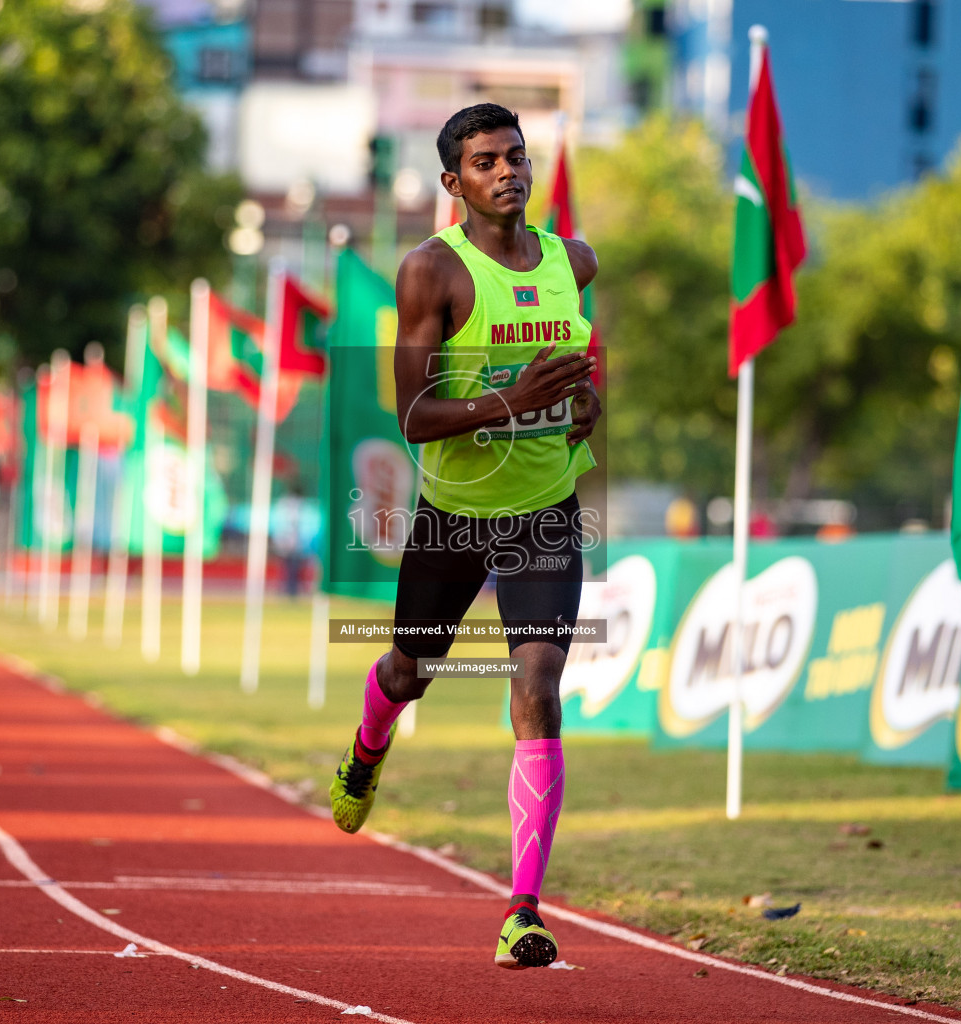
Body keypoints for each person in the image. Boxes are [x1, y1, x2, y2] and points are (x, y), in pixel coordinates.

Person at [328, 103, 600, 970]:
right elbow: (413, 415)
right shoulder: (429, 272)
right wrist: (511, 403)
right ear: (455, 183)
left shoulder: (573, 262)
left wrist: (584, 410)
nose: (508, 172)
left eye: (517, 157)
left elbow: (584, 387)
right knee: (410, 673)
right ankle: (368, 747)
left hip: (547, 510)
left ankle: (523, 907)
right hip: (453, 517)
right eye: (486, 162)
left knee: (539, 683)